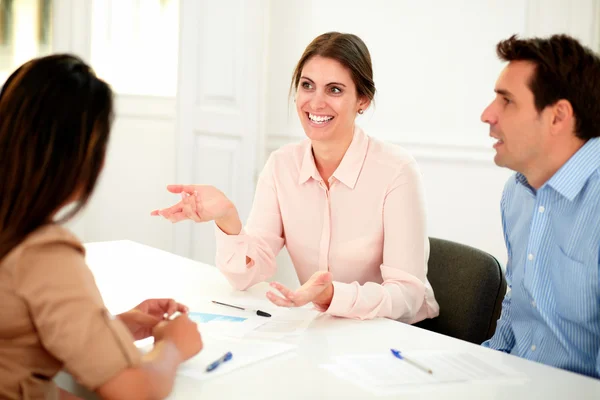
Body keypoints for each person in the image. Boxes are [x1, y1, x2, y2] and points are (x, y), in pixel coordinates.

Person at [152, 32, 439, 322]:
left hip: (397, 337)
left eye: (335, 90)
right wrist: (228, 220)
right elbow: (247, 275)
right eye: (307, 86)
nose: (316, 102)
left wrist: (333, 296)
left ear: (362, 100)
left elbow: (407, 295)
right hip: (327, 331)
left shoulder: (396, 171)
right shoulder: (281, 165)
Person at [0, 54, 203, 399]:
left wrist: (110, 329)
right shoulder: (44, 253)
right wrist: (173, 347)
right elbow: (134, 392)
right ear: (80, 157)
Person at [481, 34, 600, 379]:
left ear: (558, 116)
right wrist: (484, 369)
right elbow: (520, 302)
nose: (487, 114)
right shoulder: (516, 192)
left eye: (507, 101)